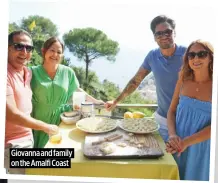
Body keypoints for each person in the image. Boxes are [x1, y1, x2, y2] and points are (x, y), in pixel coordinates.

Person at [105, 15, 186, 142]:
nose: (164, 36)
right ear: (154, 37)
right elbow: (135, 81)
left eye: (168, 32)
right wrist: (116, 101)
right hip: (162, 120)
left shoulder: (188, 55)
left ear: (174, 32)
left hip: (186, 120)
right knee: (162, 157)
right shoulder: (152, 56)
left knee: (182, 159)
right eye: (159, 33)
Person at [30, 36, 104, 148]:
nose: (55, 55)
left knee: (60, 154)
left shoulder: (68, 72)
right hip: (40, 121)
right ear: (44, 51)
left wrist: (96, 101)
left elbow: (77, 90)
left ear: (62, 56)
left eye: (59, 52)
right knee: (41, 158)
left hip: (63, 120)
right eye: (52, 50)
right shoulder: (31, 72)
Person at [5, 30, 59, 174]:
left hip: (28, 140)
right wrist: (46, 127)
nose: (24, 52)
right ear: (7, 48)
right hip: (12, 146)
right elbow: (11, 114)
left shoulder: (27, 72)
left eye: (28, 48)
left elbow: (49, 72)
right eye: (18, 46)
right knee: (63, 160)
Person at [166, 40, 213, 181]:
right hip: (178, 144)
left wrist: (187, 142)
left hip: (202, 149)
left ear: (211, 57)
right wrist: (173, 135)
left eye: (202, 54)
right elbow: (171, 111)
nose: (196, 59)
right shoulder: (183, 80)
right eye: (191, 55)